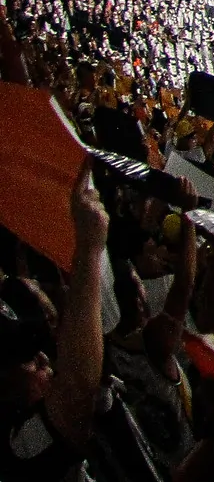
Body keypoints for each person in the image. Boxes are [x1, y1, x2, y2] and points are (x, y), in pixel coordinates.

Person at [3, 167, 108, 481]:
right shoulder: (18, 446)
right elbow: (77, 389)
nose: (44, 359)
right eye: (27, 358)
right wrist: (90, 247)